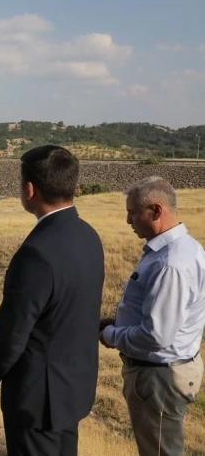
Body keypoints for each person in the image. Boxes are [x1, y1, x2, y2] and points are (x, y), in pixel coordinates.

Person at [0, 145, 105, 456]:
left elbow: (13, 328)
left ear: (29, 189)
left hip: (38, 397)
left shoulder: (36, 253)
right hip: (73, 387)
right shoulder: (88, 236)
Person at [99, 176, 205, 456]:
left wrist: (111, 335)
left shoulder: (170, 264)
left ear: (156, 210)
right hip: (166, 371)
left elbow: (156, 336)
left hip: (159, 377)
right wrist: (120, 323)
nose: (128, 221)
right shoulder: (184, 248)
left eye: (133, 213)